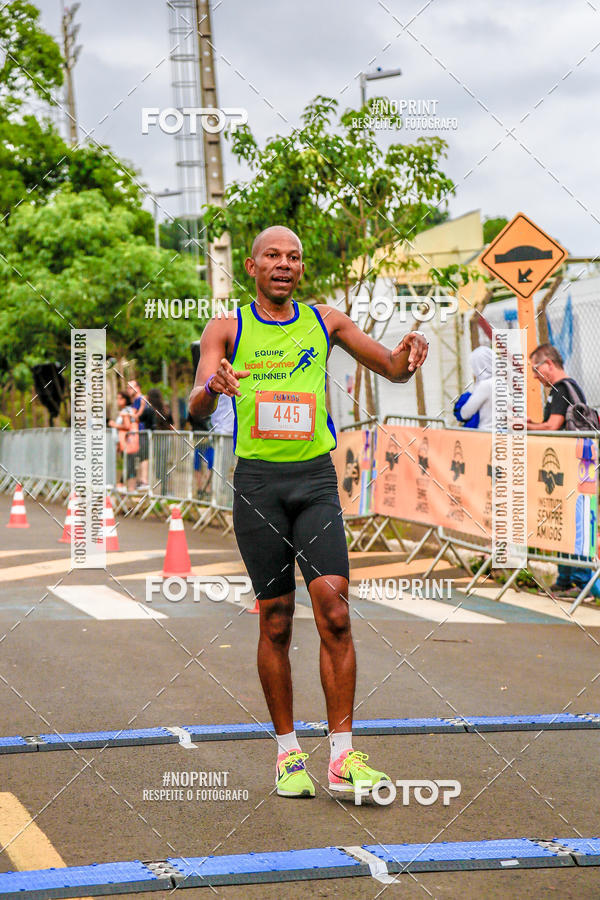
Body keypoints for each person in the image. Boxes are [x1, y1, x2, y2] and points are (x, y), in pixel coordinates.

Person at [189, 225, 428, 799]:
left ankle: (343, 758)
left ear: (301, 268)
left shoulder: (326, 321)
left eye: (293, 257)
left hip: (315, 480)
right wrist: (214, 387)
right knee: (274, 620)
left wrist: (408, 354)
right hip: (258, 486)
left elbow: (391, 369)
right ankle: (288, 753)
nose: (283, 264)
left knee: (335, 610)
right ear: (251, 267)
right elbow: (197, 402)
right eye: (272, 255)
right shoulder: (226, 326)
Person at [528, 343, 599, 598]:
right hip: (573, 464)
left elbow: (552, 425)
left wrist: (525, 427)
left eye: (536, 369)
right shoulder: (567, 387)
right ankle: (566, 577)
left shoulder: (562, 389)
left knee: (573, 522)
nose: (535, 376)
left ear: (548, 364)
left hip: (572, 465)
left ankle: (579, 580)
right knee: (564, 519)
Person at [454, 346, 493, 429]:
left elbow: (465, 414)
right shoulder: (503, 383)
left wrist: (464, 400)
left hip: (484, 434)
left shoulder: (485, 385)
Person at [145, 388, 174, 496]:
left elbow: (171, 424)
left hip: (160, 439)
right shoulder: (163, 408)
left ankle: (166, 490)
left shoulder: (152, 409)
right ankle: (164, 490)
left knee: (162, 465)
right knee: (162, 465)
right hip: (165, 439)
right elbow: (172, 425)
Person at [108, 390, 137, 492]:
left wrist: (114, 425)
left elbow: (127, 426)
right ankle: (127, 487)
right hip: (124, 442)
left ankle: (126, 486)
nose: (118, 400)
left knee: (129, 465)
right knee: (128, 465)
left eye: (120, 398)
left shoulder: (126, 411)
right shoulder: (125, 410)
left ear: (125, 400)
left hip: (128, 443)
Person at [127, 380, 150, 488]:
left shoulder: (142, 400)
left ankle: (144, 480)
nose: (129, 390)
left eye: (131, 387)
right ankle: (139, 481)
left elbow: (135, 417)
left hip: (142, 432)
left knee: (144, 456)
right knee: (138, 457)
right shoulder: (135, 401)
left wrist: (139, 409)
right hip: (135, 433)